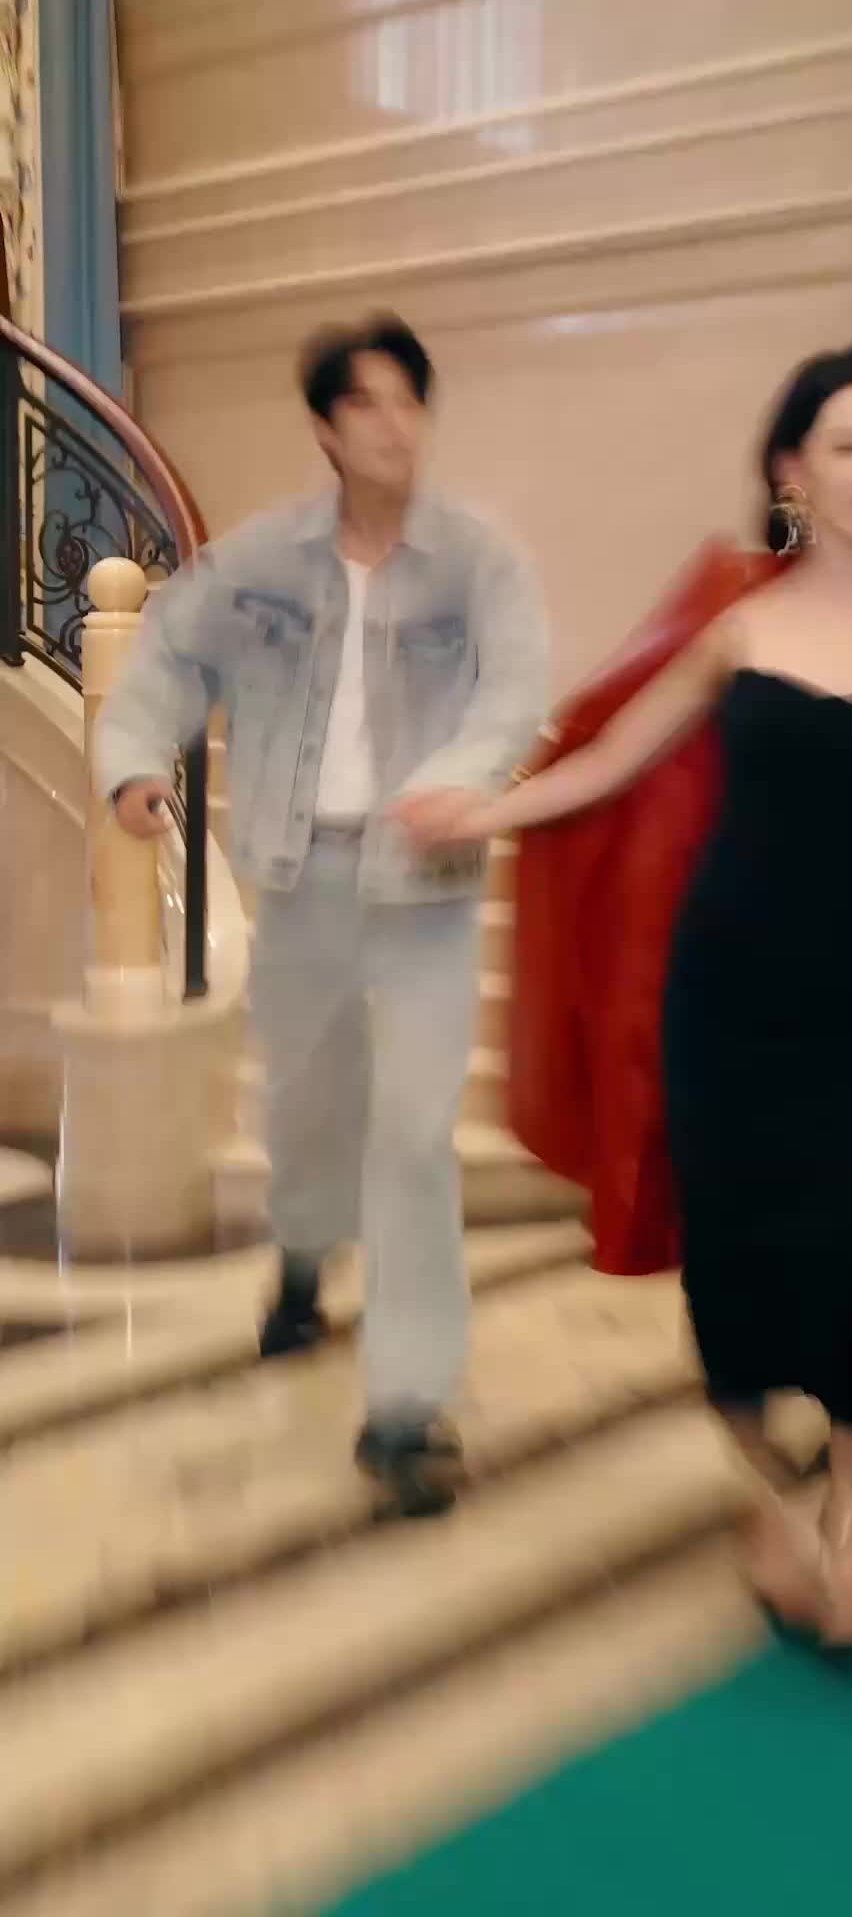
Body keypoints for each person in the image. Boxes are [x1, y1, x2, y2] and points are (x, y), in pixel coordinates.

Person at [393, 340, 852, 1647]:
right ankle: (771, 1501)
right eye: (849, 445)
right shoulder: (739, 625)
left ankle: (847, 1527)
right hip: (728, 1004)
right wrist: (481, 811)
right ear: (791, 471)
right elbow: (612, 760)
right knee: (741, 1282)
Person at [96, 313, 549, 1517]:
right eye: (366, 405)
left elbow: (514, 686)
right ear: (325, 429)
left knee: (412, 1135)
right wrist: (135, 762)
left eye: (409, 401)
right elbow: (166, 660)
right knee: (308, 1110)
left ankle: (406, 1407)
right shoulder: (262, 562)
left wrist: (464, 774)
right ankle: (303, 1255)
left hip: (426, 886)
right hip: (298, 879)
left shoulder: (477, 562)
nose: (394, 427)